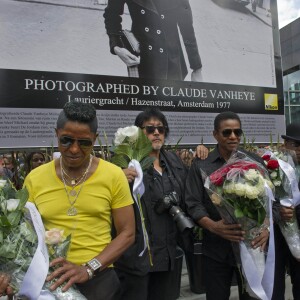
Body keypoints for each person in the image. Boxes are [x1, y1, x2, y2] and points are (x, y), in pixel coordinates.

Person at [24, 101, 135, 300]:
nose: (74, 149)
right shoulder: (35, 178)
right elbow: (24, 234)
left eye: (84, 143)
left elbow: (127, 233)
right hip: (48, 279)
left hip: (99, 278)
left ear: (95, 139)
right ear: (56, 134)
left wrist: (89, 268)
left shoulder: (113, 175)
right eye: (66, 140)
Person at [114, 108, 206, 300]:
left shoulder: (173, 161)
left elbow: (192, 193)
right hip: (136, 256)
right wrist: (117, 177)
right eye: (150, 129)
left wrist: (201, 159)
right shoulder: (123, 162)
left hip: (169, 253)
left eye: (161, 129)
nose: (156, 133)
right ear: (139, 133)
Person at [185, 111, 270, 300]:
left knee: (253, 296)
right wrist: (213, 226)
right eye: (227, 132)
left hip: (251, 246)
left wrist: (266, 227)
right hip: (216, 249)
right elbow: (193, 204)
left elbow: (270, 200)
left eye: (237, 132)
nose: (233, 136)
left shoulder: (254, 162)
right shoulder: (201, 165)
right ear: (215, 134)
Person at [103, 0, 202, 81]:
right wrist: (117, 46)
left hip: (172, 61)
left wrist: (196, 67)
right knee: (144, 102)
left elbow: (187, 28)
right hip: (143, 59)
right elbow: (112, 15)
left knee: (171, 102)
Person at [271, 122, 300, 300]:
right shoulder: (272, 165)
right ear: (285, 145)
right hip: (276, 237)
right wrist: (277, 212)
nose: (299, 150)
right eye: (295, 144)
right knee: (275, 285)